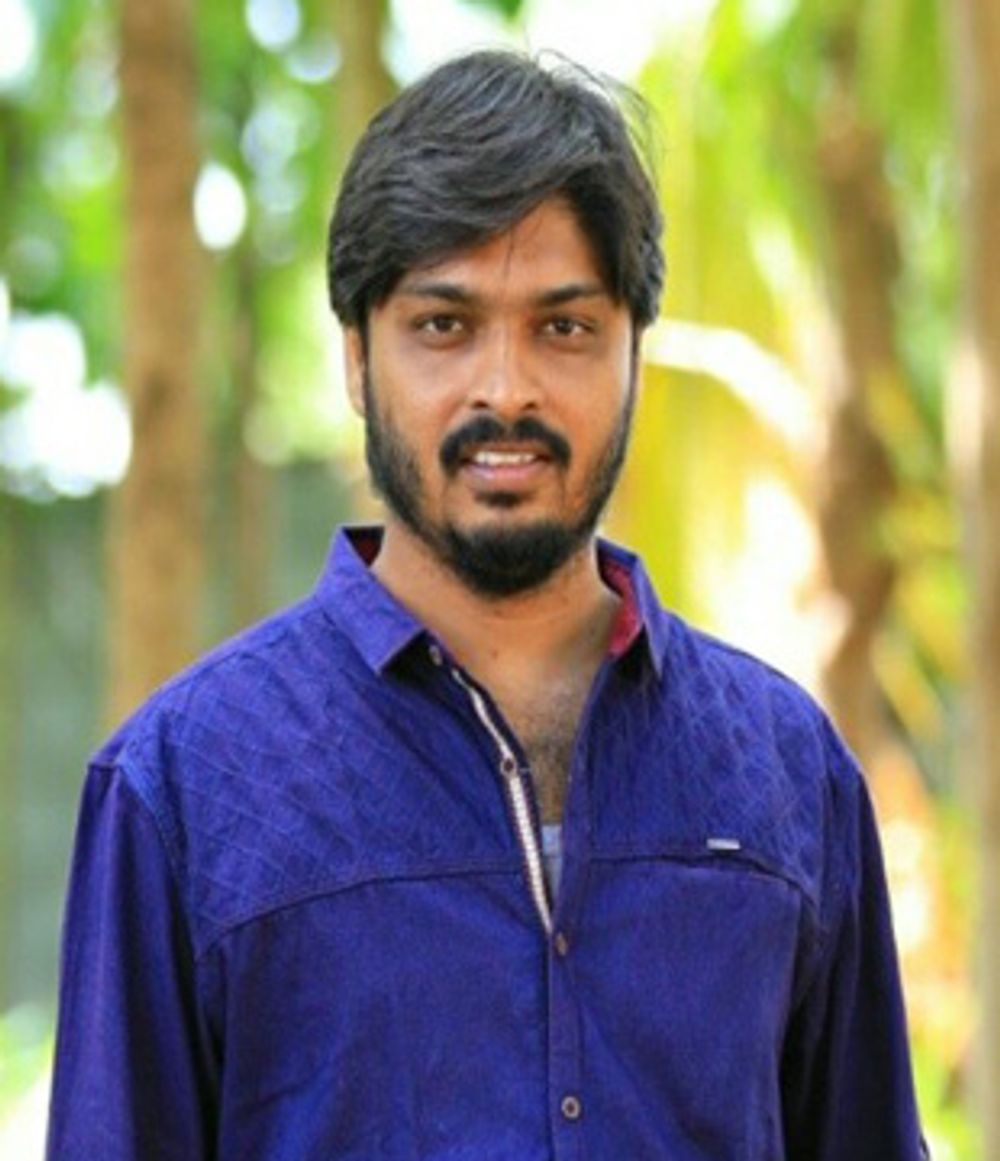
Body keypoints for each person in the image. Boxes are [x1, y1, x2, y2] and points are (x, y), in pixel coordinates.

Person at [47, 49, 927, 1160]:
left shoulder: (788, 771)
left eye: (563, 327)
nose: (505, 389)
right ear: (356, 359)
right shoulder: (183, 787)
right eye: (443, 325)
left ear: (633, 352)